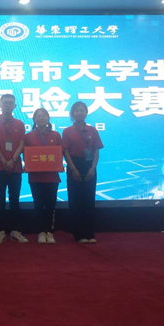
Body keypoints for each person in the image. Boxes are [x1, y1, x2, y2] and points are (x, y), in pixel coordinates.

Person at [0, 94, 27, 245]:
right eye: (5, 103)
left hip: (15, 167)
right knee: (0, 200)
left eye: (11, 103)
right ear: (0, 105)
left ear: (15, 106)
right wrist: (4, 162)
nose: (8, 105)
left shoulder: (20, 123)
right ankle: (1, 231)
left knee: (15, 199)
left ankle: (15, 231)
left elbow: (22, 144)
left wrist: (13, 160)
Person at [62, 102, 104, 244]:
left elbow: (96, 150)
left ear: (86, 113)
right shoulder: (67, 131)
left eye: (82, 110)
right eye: (77, 111)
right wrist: (73, 169)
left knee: (89, 200)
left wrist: (93, 168)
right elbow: (65, 152)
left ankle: (89, 233)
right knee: (76, 200)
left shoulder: (92, 130)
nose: (79, 113)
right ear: (72, 114)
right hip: (74, 164)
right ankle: (78, 234)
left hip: (89, 165)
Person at [24, 108, 62, 244]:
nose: (41, 118)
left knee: (51, 204)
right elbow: (25, 154)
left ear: (48, 118)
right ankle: (41, 231)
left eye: (44, 115)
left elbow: (60, 153)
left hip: (52, 177)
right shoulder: (28, 136)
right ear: (34, 119)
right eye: (38, 116)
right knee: (38, 205)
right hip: (35, 177)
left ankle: (50, 232)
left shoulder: (56, 135)